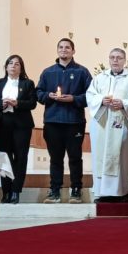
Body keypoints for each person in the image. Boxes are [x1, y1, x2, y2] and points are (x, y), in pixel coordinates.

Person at [36, 38, 92, 204]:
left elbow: (91, 96)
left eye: (67, 47)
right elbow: (38, 93)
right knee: (55, 158)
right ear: (57, 50)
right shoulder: (48, 72)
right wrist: (48, 96)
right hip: (52, 121)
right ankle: (55, 190)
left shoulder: (82, 72)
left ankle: (76, 190)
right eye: (61, 47)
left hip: (74, 122)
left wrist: (74, 99)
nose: (64, 50)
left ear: (73, 51)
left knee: (75, 157)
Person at [86, 48, 128, 201]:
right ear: (109, 59)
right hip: (102, 124)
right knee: (101, 155)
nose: (115, 60)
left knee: (122, 156)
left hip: (122, 123)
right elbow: (90, 96)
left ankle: (120, 192)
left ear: (124, 60)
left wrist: (123, 103)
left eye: (119, 57)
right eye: (112, 57)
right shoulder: (99, 78)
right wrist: (101, 100)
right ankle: (102, 192)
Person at [0, 54, 38, 204]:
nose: (13, 66)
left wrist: (17, 103)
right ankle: (6, 191)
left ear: (21, 68)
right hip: (2, 124)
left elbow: (32, 103)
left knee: (20, 157)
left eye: (17, 64)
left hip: (21, 125)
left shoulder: (27, 83)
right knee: (5, 158)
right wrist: (2, 104)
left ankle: (16, 191)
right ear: (6, 67)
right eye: (10, 63)